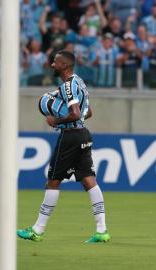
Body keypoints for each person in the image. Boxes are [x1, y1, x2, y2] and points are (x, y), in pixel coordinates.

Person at [17, 50, 110, 243]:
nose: (52, 65)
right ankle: (102, 231)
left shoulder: (68, 86)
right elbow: (88, 112)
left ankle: (37, 230)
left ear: (64, 65)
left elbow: (75, 114)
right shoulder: (80, 82)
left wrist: (56, 121)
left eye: (56, 62)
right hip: (83, 134)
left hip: (70, 137)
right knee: (88, 181)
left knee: (53, 181)